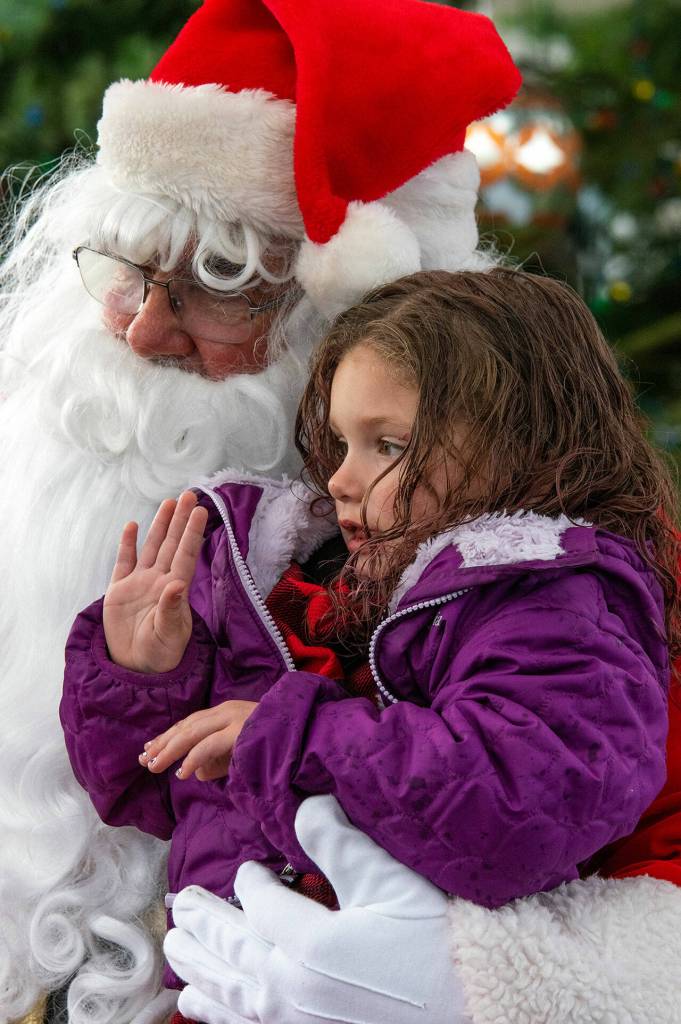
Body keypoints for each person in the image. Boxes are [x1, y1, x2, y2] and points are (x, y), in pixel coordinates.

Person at [2, 0, 680, 1020]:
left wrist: (482, 989)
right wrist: (138, 676)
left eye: (217, 285)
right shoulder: (239, 558)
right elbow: (164, 775)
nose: (142, 331)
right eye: (127, 272)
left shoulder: (572, 573)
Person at [61, 268, 677, 1008]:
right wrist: (143, 674)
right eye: (339, 442)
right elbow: (160, 791)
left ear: (520, 446)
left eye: (386, 444)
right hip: (228, 991)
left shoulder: (551, 594)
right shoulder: (302, 589)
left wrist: (290, 737)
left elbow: (527, 796)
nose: (343, 481)